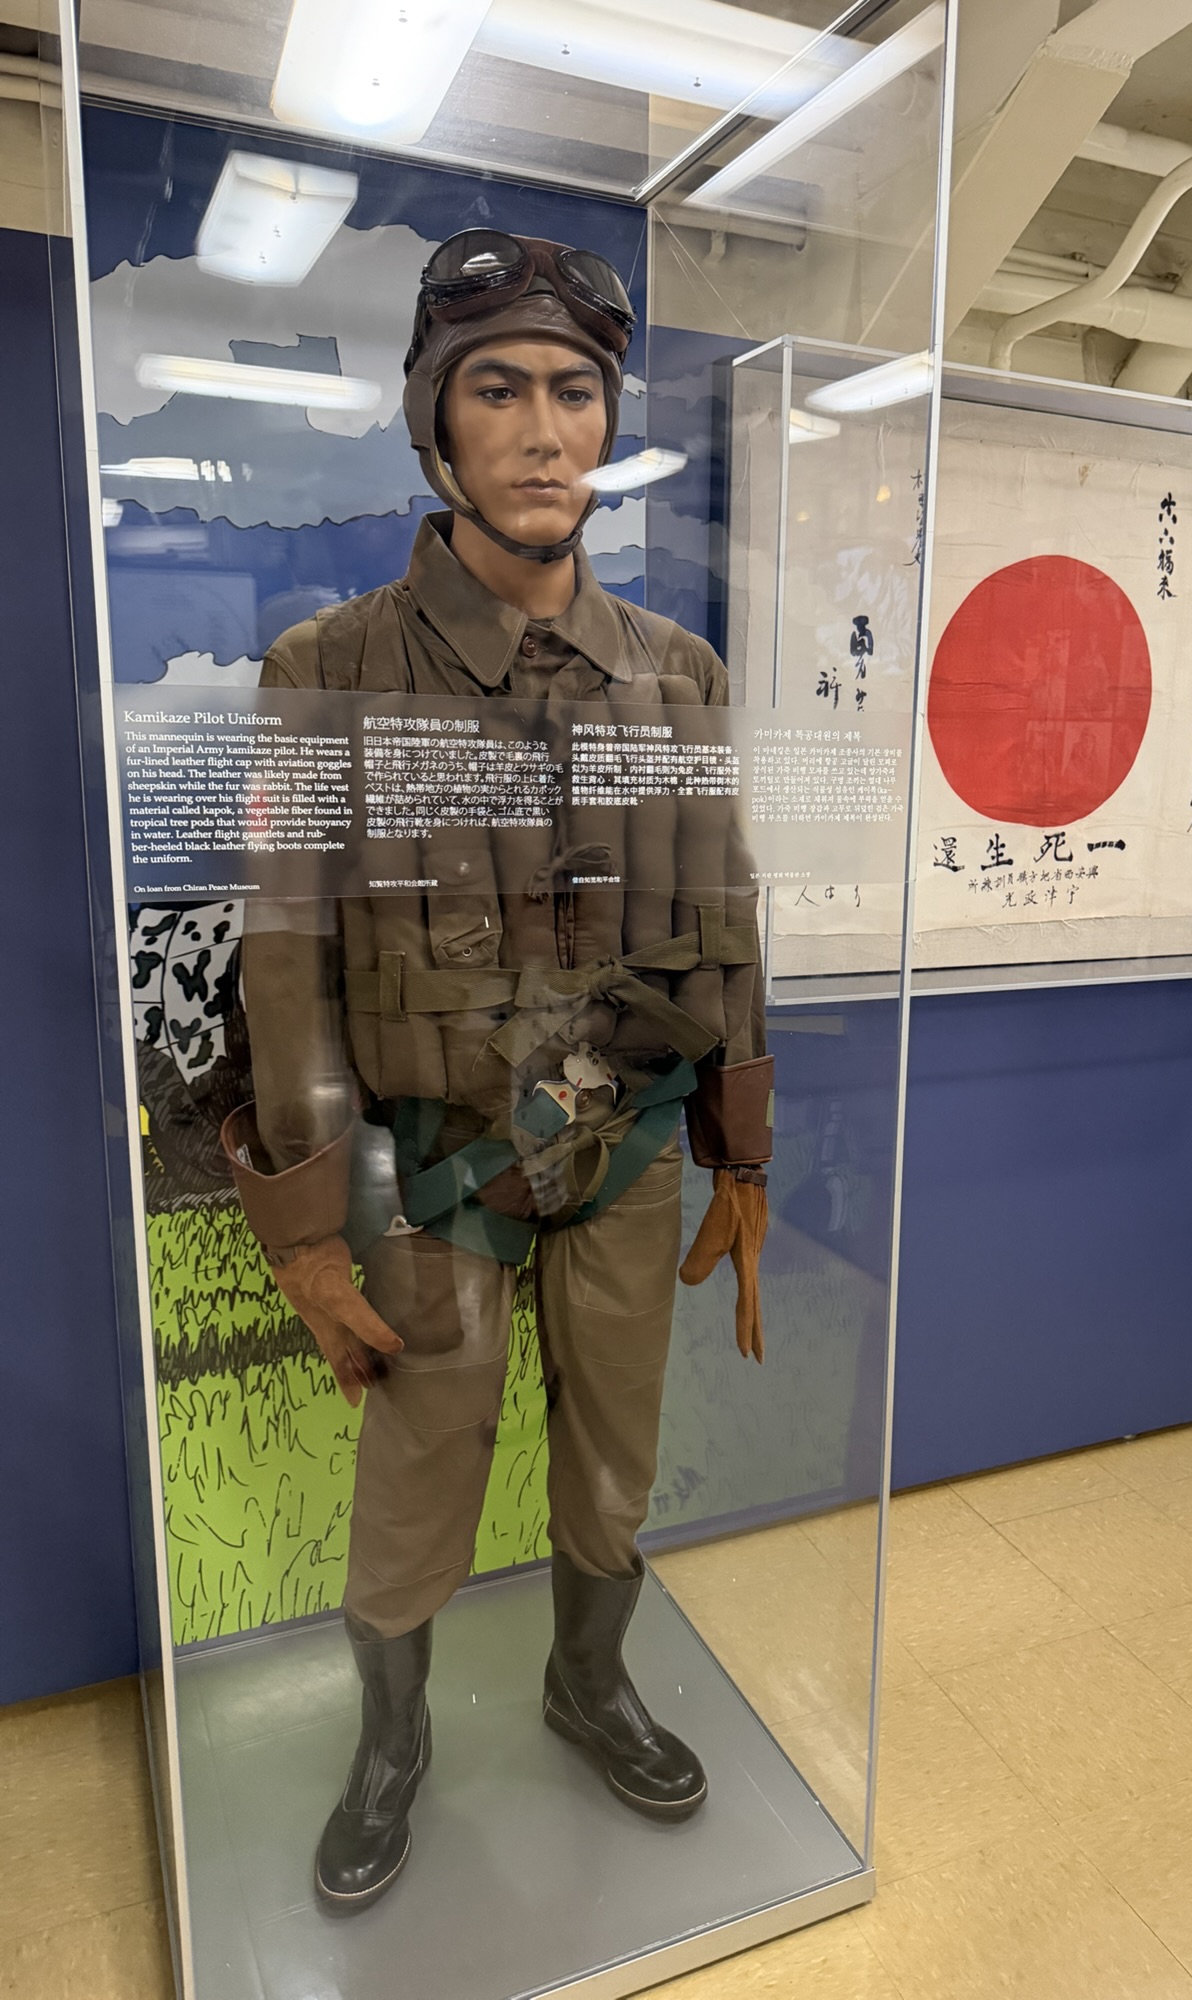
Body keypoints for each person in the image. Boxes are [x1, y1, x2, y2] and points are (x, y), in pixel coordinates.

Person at [221, 231, 773, 1912]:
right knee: (419, 1471)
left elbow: (729, 921)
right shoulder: (328, 670)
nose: (544, 431)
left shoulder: (677, 675)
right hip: (436, 1169)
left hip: (630, 1154)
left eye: (577, 393)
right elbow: (287, 967)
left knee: (615, 1446)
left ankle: (588, 1682)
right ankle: (392, 1744)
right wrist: (305, 1236)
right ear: (437, 424)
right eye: (499, 389)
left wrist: (742, 1149)